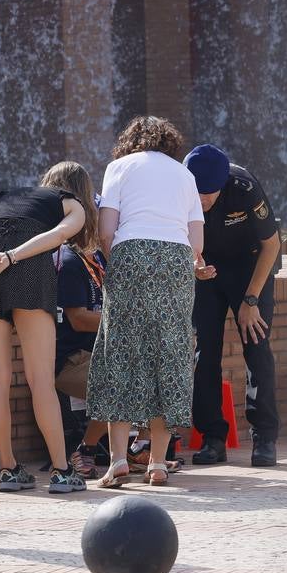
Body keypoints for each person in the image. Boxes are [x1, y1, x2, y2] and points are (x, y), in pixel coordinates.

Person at [0, 165, 95, 494]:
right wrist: (11, 257)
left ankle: (8, 469)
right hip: (26, 269)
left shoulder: (12, 198)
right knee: (40, 379)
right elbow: (57, 236)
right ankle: (62, 471)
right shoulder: (72, 204)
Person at [88, 115, 204, 487]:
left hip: (130, 254)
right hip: (176, 261)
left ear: (129, 141)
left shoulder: (119, 167)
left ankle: (119, 461)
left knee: (120, 352)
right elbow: (197, 243)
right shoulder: (185, 175)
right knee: (168, 354)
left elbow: (106, 230)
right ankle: (157, 463)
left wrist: (120, 261)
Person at [184, 144, 282, 468]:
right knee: (204, 352)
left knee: (256, 346)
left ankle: (264, 436)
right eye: (197, 194)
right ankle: (213, 437)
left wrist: (251, 300)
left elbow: (271, 245)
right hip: (207, 271)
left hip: (250, 268)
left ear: (222, 183)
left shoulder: (244, 186)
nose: (202, 201)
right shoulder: (179, 190)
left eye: (209, 194)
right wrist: (195, 266)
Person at [42, 161, 108, 479]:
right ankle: (86, 449)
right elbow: (79, 319)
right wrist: (126, 320)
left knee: (150, 369)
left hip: (95, 353)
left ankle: (141, 449)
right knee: (121, 381)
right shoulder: (66, 260)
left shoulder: (93, 256)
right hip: (69, 360)